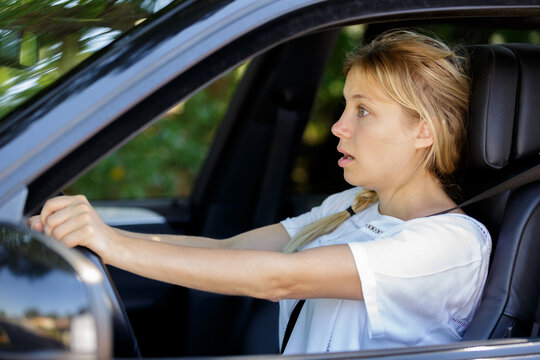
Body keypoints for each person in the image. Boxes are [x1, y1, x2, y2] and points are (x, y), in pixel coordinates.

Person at [28, 30, 491, 354]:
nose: (337, 126)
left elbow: (279, 278)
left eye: (363, 111)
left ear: (423, 132)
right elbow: (226, 249)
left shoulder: (451, 245)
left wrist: (116, 246)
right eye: (345, 106)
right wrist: (100, 239)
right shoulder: (351, 206)